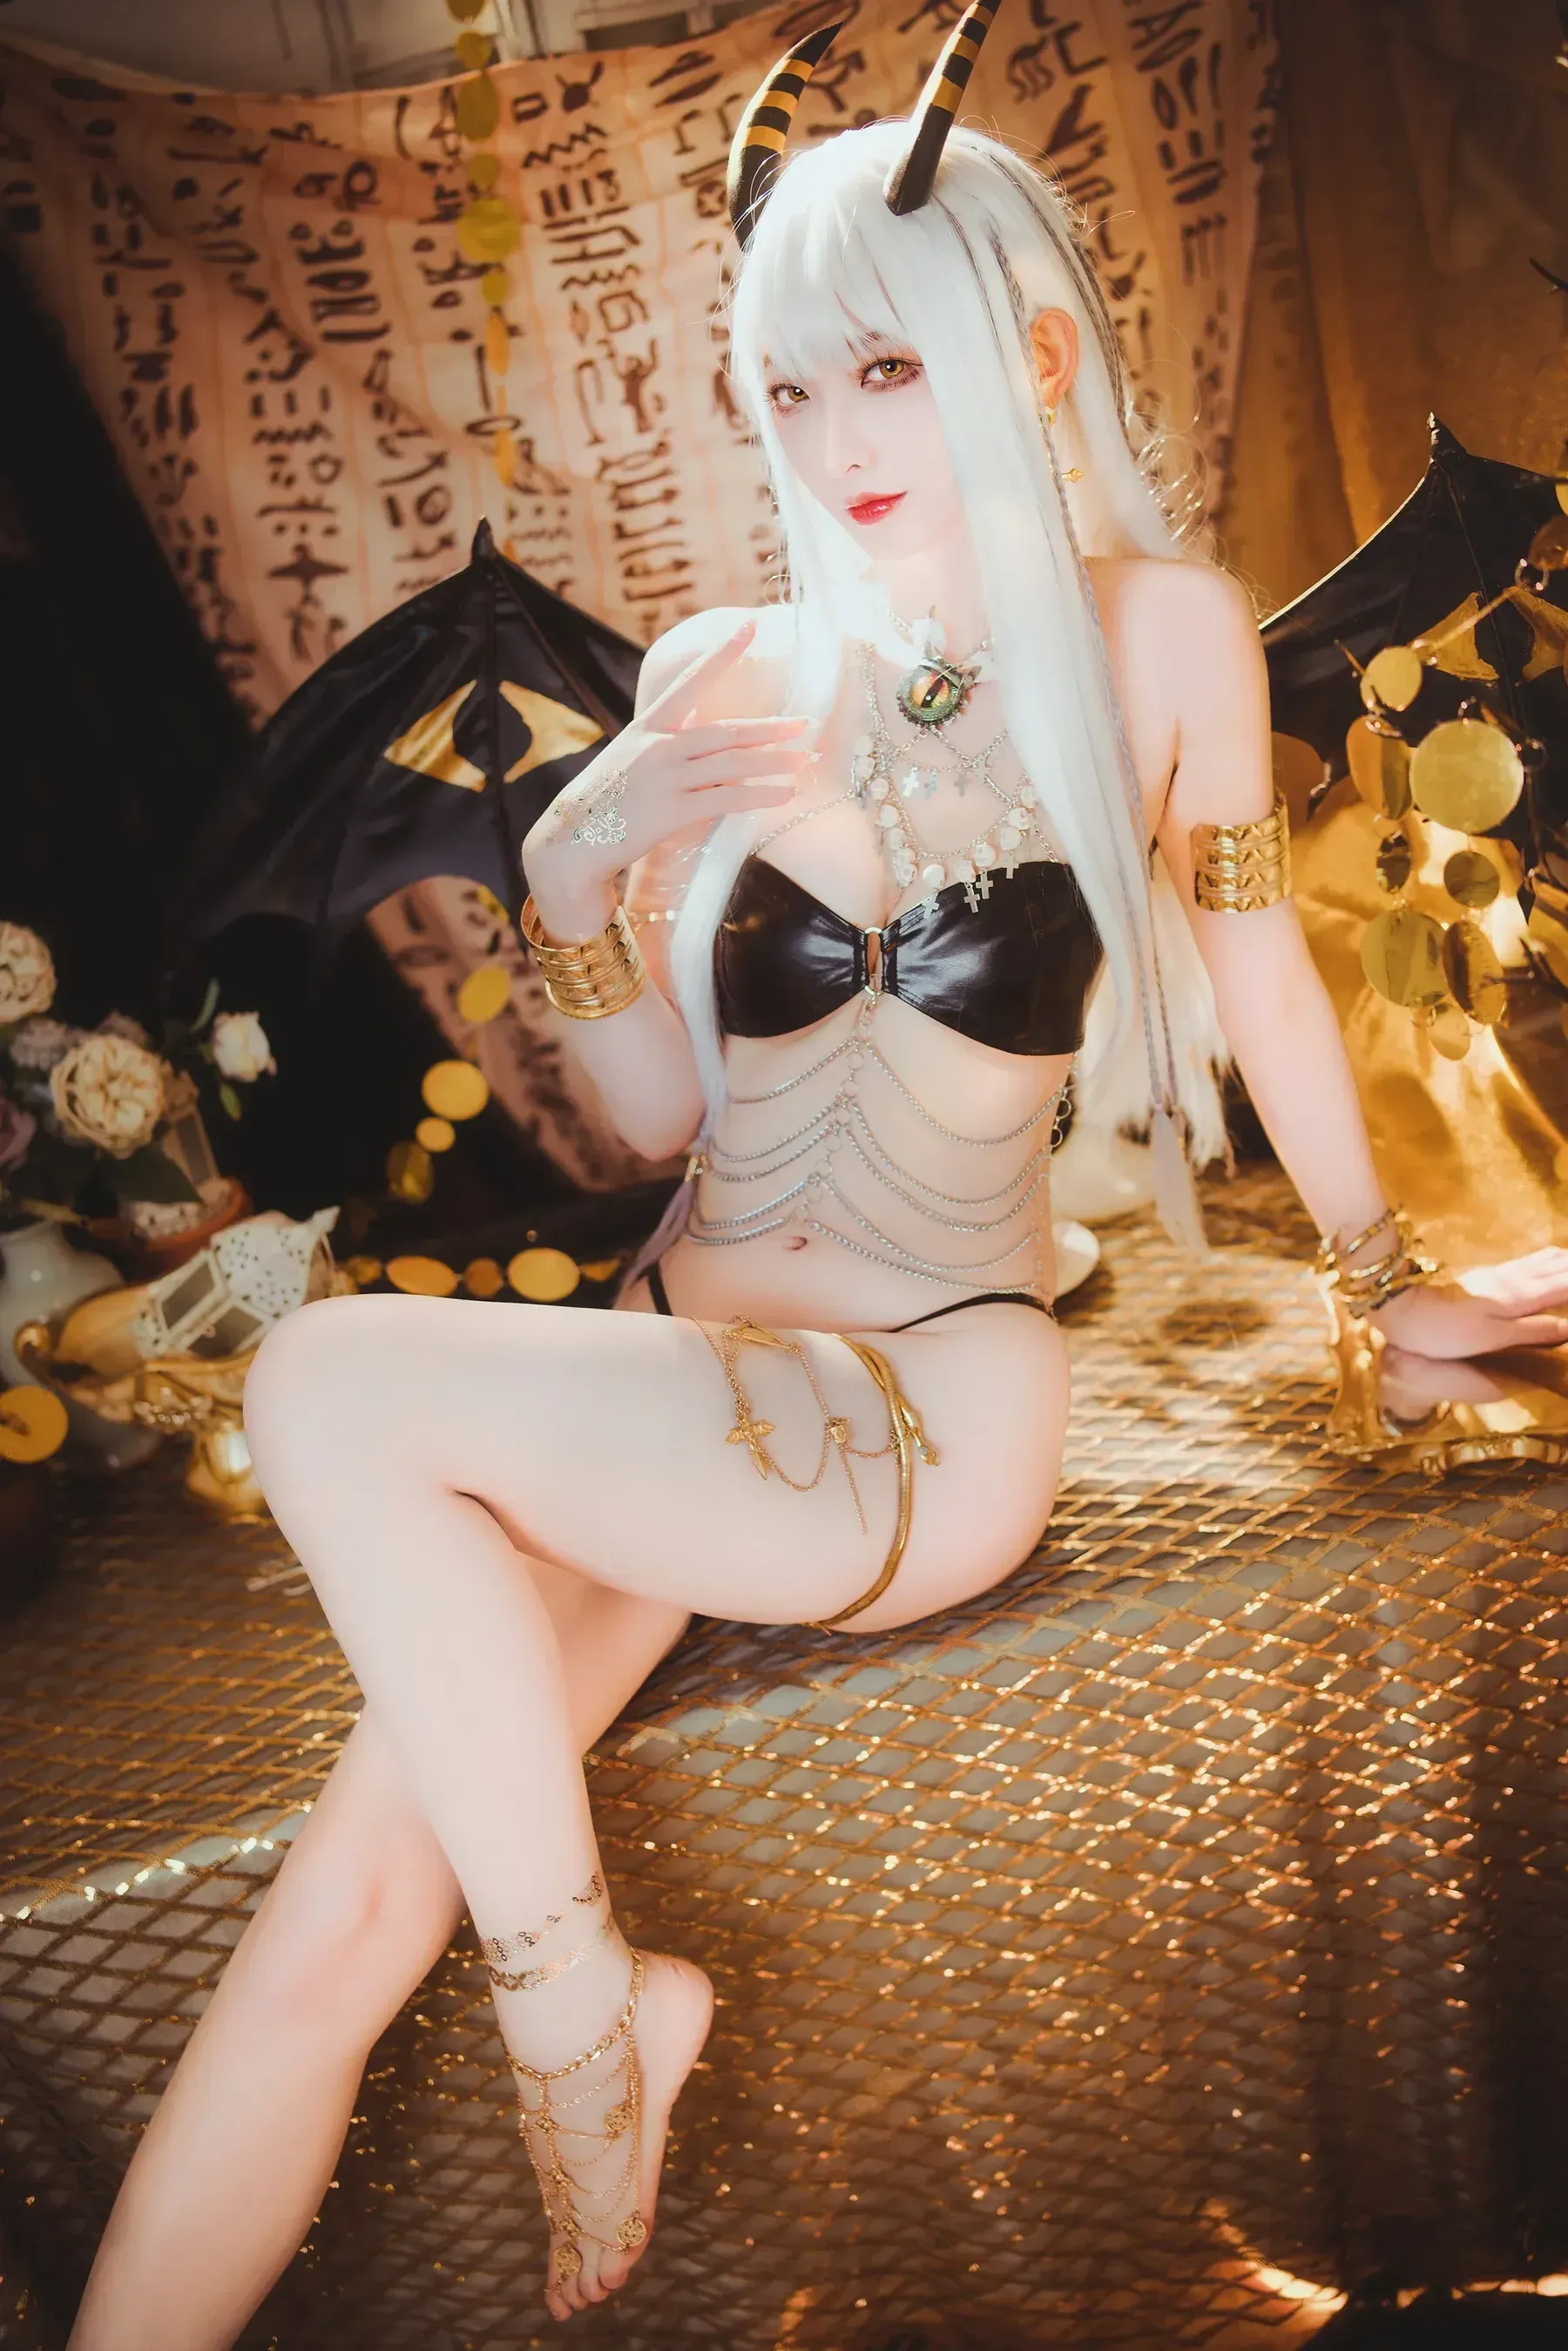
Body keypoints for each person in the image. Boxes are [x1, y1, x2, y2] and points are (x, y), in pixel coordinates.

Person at [68, 8, 1568, 2343]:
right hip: (674, 1373)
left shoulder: (1156, 640)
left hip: (918, 1408)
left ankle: (579, 2012)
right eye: (788, 389)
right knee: (331, 1930)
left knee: (330, 1381)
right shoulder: (724, 671)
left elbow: (1257, 963)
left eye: (882, 370)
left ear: (1027, 352)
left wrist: (1387, 1287)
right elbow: (665, 1122)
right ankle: (534, 2043)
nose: (834, 437)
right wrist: (578, 869)